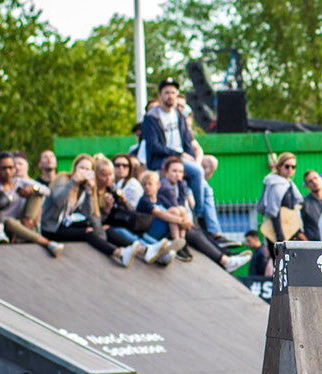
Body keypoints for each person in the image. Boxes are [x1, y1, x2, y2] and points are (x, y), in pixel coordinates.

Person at [41, 156, 128, 262]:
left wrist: (89, 193)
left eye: (88, 169)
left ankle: (135, 249)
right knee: (88, 232)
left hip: (66, 224)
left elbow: (87, 213)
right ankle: (118, 253)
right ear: (75, 168)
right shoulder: (64, 179)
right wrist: (73, 181)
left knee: (101, 227)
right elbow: (58, 202)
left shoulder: (83, 187)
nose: (84, 172)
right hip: (51, 227)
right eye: (82, 168)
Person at [137, 78, 205, 209]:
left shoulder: (178, 115)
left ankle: (208, 227)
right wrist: (179, 154)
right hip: (163, 160)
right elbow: (153, 146)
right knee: (198, 172)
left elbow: (187, 142)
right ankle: (199, 212)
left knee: (207, 190)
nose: (170, 96)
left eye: (173, 93)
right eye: (167, 93)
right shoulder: (151, 117)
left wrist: (189, 156)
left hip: (181, 160)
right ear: (160, 95)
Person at [257, 152, 303, 243]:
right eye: (287, 166)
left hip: (289, 230)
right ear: (279, 166)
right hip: (278, 234)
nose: (290, 169)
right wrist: (280, 237)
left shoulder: (289, 184)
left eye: (293, 167)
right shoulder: (275, 184)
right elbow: (274, 211)